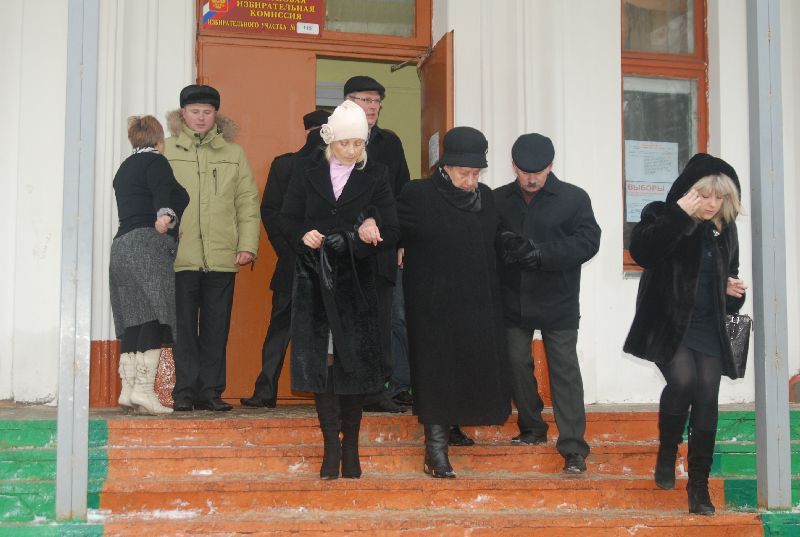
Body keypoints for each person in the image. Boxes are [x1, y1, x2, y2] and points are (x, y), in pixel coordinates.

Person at [280, 100, 399, 479]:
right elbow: (286, 219)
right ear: (330, 141)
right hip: (314, 281)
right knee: (322, 364)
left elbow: (392, 226)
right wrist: (303, 234)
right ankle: (331, 445)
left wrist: (368, 227)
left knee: (353, 363)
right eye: (345, 143)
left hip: (355, 284)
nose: (351, 150)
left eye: (358, 144)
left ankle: (352, 448)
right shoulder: (305, 172)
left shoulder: (377, 175)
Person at [624, 153, 746, 516]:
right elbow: (644, 253)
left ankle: (699, 487)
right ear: (689, 191)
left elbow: (729, 280)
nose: (712, 204)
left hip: (708, 325)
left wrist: (732, 292)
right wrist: (679, 216)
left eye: (720, 197)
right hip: (668, 322)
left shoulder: (726, 229)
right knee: (684, 381)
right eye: (705, 195)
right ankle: (667, 449)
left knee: (707, 396)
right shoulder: (661, 214)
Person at [397, 126, 511, 478]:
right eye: (464, 173)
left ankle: (455, 425)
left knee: (468, 363)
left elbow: (497, 236)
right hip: (433, 302)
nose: (470, 181)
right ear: (445, 167)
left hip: (476, 300)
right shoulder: (418, 194)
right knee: (437, 370)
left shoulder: (486, 197)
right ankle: (435, 450)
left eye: (476, 173)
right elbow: (393, 228)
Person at [495, 133, 601, 474]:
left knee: (564, 371)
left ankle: (573, 448)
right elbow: (486, 240)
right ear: (514, 166)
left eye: (538, 172)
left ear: (551, 166)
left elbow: (588, 242)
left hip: (559, 298)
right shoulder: (498, 199)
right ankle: (532, 427)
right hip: (513, 298)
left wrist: (542, 254)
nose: (532, 178)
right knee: (515, 362)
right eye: (525, 171)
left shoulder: (574, 198)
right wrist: (505, 246)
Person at [164, 84, 261, 412]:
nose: (201, 117)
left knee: (216, 328)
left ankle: (210, 391)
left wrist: (247, 244)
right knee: (182, 329)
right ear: (183, 114)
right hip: (179, 256)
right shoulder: (166, 150)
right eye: (195, 111)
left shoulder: (233, 153)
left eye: (207, 112)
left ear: (216, 115)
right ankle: (184, 392)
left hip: (222, 255)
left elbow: (247, 201)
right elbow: (154, 198)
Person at [240, 109, 330, 409]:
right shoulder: (286, 165)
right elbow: (272, 211)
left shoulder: (341, 167)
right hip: (295, 262)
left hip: (324, 261)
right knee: (282, 327)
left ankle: (323, 394)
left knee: (318, 330)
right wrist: (289, 248)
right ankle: (266, 390)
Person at [110, 115, 189, 415]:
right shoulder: (156, 162)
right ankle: (144, 391)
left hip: (121, 246)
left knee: (134, 317)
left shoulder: (124, 168)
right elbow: (162, 193)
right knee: (155, 316)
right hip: (147, 244)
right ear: (159, 140)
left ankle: (128, 389)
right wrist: (165, 217)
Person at [344, 75, 412, 413]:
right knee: (350, 319)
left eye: (376, 101)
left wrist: (402, 240)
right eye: (365, 100)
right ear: (348, 102)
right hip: (345, 249)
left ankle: (387, 386)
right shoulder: (332, 141)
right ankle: (350, 389)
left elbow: (403, 194)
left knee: (387, 318)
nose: (372, 107)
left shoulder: (390, 143)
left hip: (384, 246)